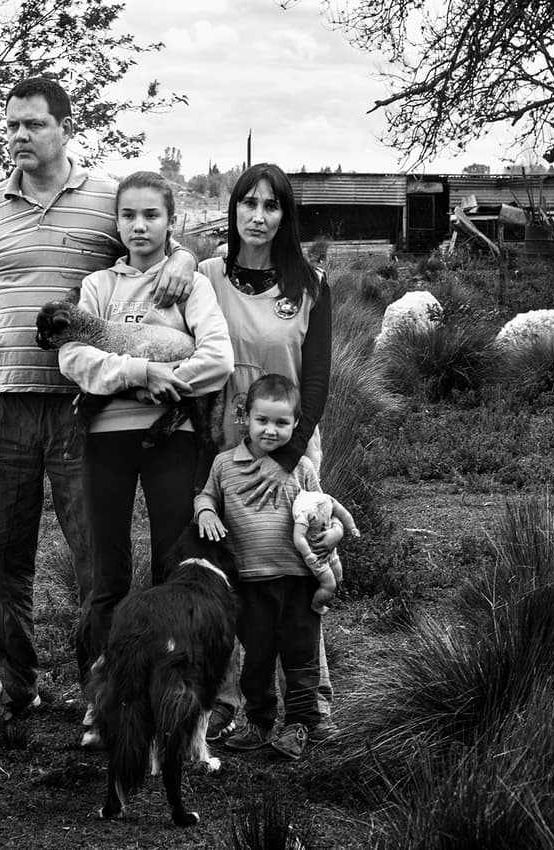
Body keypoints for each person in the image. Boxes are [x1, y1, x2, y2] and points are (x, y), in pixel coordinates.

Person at [0, 78, 197, 727]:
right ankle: (14, 686)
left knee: (96, 560)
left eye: (32, 124)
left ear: (66, 127)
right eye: (10, 125)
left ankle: (105, 692)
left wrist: (187, 255)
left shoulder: (103, 201)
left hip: (78, 410)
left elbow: (155, 240)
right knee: (1, 553)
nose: (18, 136)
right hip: (1, 404)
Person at [57, 170, 233, 694]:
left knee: (171, 565)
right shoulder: (98, 287)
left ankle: (165, 689)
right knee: (105, 573)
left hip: (171, 440)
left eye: (151, 215)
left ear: (171, 222)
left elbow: (219, 358)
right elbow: (73, 354)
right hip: (105, 439)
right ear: (116, 222)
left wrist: (168, 382)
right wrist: (138, 374)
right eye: (128, 215)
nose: (139, 225)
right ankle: (101, 695)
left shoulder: (189, 285)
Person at [196, 163, 337, 742]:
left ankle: (312, 699)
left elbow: (319, 381)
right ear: (231, 210)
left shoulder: (310, 283)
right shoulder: (203, 275)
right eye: (247, 203)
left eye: (271, 205)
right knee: (233, 573)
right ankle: (229, 699)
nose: (258, 216)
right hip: (224, 449)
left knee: (300, 566)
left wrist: (285, 460)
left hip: (291, 450)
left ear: (286, 215)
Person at [194, 374, 323, 760]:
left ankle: (299, 725)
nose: (271, 430)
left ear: (296, 425)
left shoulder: (300, 467)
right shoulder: (224, 465)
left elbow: (321, 507)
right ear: (244, 418)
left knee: (301, 658)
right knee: (258, 658)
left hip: (298, 580)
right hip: (249, 583)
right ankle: (260, 722)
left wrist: (330, 534)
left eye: (282, 423)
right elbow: (205, 495)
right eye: (262, 420)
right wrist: (204, 511)